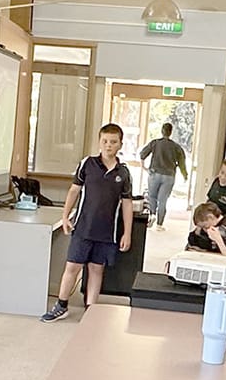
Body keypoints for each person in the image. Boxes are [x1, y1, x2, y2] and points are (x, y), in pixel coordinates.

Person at [44, 122, 133, 322]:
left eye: (113, 142)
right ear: (99, 142)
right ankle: (61, 305)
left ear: (120, 144)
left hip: (107, 232)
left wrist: (127, 233)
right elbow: (74, 190)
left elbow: (127, 204)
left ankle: (91, 310)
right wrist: (65, 216)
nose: (108, 145)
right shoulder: (87, 164)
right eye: (105, 141)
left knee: (96, 269)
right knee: (72, 267)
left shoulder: (124, 173)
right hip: (83, 228)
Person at [140, 122, 189, 229]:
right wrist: (185, 175)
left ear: (162, 131)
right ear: (171, 132)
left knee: (152, 197)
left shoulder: (155, 143)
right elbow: (182, 162)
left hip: (154, 173)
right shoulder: (176, 147)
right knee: (163, 200)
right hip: (169, 176)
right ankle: (159, 224)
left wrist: (144, 167)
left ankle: (152, 215)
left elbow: (142, 154)